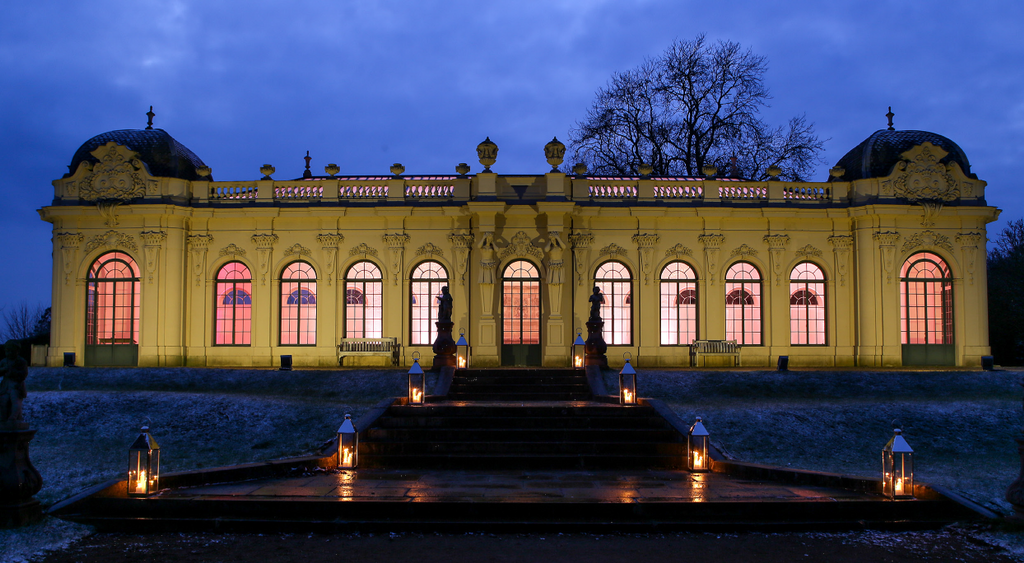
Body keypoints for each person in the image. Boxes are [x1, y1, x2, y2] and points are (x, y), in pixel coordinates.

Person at [0, 340, 28, 425]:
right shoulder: (4, 361)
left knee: (15, 402)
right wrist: (3, 370)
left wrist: (11, 372)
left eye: (12, 351)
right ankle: (3, 419)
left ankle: (13, 418)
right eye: (7, 351)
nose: (9, 353)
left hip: (16, 386)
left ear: (17, 351)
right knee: (3, 402)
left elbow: (23, 374)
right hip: (5, 385)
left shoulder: (21, 361)